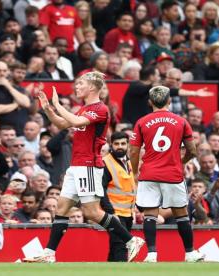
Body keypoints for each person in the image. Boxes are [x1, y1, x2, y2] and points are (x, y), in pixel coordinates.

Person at [24, 72, 144, 263]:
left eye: (80, 84)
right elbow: (64, 123)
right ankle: (49, 253)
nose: (76, 87)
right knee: (61, 208)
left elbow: (76, 122)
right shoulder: (84, 108)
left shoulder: (100, 109)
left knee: (91, 212)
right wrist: (48, 109)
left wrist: (58, 105)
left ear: (92, 88)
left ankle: (131, 240)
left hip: (88, 165)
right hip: (76, 165)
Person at [129, 85, 205, 263]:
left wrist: (134, 172)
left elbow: (133, 152)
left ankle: (152, 255)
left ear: (150, 102)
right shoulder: (181, 121)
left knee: (150, 214)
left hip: (148, 173)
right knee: (181, 214)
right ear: (169, 101)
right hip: (172, 173)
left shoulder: (141, 122)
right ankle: (190, 253)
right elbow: (193, 151)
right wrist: (181, 162)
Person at [101, 132, 136, 262]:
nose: (119, 146)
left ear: (128, 145)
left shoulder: (128, 161)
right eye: (116, 144)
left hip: (128, 213)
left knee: (116, 246)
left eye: (123, 143)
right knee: (120, 245)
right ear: (111, 145)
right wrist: (111, 212)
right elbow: (101, 190)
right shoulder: (105, 163)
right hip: (115, 213)